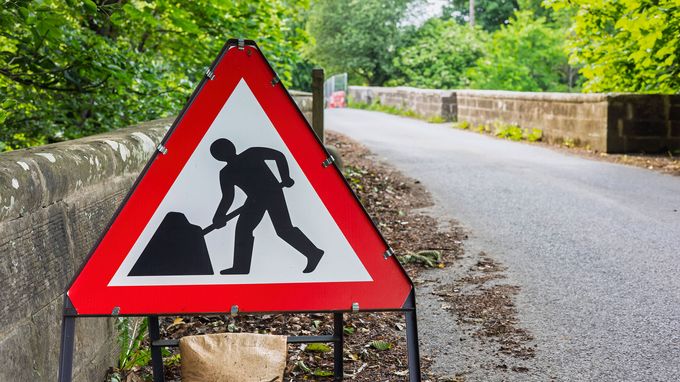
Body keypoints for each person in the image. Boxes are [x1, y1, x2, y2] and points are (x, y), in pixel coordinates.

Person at [210, 138, 324, 274]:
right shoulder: (226, 173)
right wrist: (219, 215)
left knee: (283, 229)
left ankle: (314, 253)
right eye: (220, 152)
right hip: (254, 200)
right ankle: (241, 267)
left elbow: (278, 156)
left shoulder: (251, 154)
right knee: (243, 229)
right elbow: (228, 197)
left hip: (272, 193)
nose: (224, 153)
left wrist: (285, 176)